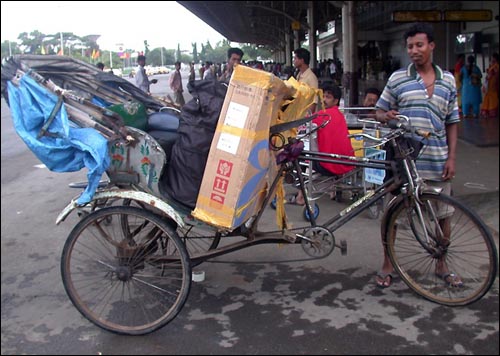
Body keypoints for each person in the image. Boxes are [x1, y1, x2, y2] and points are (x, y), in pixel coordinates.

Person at [374, 23, 460, 288]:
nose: (414, 51)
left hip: (437, 160)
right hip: (404, 162)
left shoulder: (447, 80)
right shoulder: (398, 79)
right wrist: (386, 117)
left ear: (432, 46)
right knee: (393, 216)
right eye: (410, 46)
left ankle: (441, 264)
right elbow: (379, 112)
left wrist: (452, 158)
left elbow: (453, 121)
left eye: (419, 45)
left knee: (443, 217)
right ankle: (388, 263)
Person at [288, 84, 355, 205]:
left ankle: (300, 196)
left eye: (328, 97)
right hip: (346, 162)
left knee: (300, 156)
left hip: (328, 164)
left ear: (336, 100)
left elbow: (302, 124)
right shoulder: (340, 116)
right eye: (323, 96)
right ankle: (330, 191)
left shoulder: (323, 115)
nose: (324, 99)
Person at [293, 47, 319, 113]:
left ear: (302, 60)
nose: (294, 61)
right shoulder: (299, 75)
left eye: (295, 58)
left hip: (306, 115)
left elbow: (314, 100)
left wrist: (308, 118)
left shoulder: (311, 78)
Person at [480, 52, 499, 119]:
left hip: (493, 82)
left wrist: (490, 74)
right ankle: (487, 111)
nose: (492, 59)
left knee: (492, 95)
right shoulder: (492, 65)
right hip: (490, 82)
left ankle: (491, 111)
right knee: (489, 94)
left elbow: (495, 74)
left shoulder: (496, 65)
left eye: (493, 58)